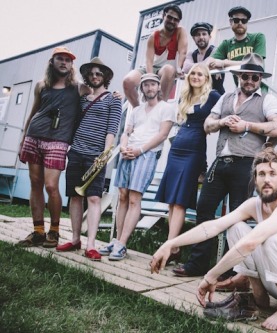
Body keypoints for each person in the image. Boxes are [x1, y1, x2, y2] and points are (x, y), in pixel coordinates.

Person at [151, 148, 277, 331]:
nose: (266, 179)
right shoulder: (254, 205)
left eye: (273, 174)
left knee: (266, 237)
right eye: (261, 174)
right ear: (255, 180)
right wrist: (171, 243)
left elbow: (250, 244)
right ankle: (259, 296)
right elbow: (213, 226)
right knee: (236, 228)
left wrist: (211, 275)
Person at [171, 53, 277, 280]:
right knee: (204, 210)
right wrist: (223, 122)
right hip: (221, 160)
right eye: (245, 76)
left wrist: (246, 125)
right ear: (239, 76)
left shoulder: (268, 100)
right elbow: (207, 124)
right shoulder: (226, 98)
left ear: (260, 78)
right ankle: (197, 263)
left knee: (237, 218)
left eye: (254, 77)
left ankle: (232, 269)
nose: (250, 81)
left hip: (246, 164)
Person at [17, 46, 91, 248]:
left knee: (51, 186)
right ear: (52, 62)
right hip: (34, 136)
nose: (64, 62)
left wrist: (116, 95)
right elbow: (34, 112)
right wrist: (23, 137)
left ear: (72, 65)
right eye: (60, 58)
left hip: (58, 141)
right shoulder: (42, 85)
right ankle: (38, 231)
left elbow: (97, 93)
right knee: (35, 183)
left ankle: (55, 231)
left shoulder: (78, 87)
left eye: (68, 60)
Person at [99, 73, 176, 261]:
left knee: (134, 198)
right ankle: (116, 241)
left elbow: (162, 135)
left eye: (153, 85)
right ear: (141, 89)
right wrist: (124, 146)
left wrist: (139, 150)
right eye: (146, 85)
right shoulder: (136, 110)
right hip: (129, 152)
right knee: (122, 197)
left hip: (146, 154)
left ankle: (123, 243)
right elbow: (126, 132)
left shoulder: (166, 108)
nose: (149, 88)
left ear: (159, 87)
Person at [56, 58, 122, 261]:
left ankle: (91, 245)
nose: (94, 76)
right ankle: (75, 239)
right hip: (76, 152)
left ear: (105, 77)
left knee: (93, 198)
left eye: (99, 74)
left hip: (96, 155)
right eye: (91, 73)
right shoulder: (82, 98)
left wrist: (104, 156)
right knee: (75, 197)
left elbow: (112, 129)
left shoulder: (114, 99)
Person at [155, 63, 221, 263]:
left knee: (181, 199)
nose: (196, 77)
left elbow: (225, 108)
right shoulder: (185, 96)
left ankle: (171, 245)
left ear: (207, 78)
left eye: (201, 74)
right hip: (176, 149)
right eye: (193, 73)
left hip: (194, 150)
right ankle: (172, 247)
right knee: (172, 199)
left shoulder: (213, 96)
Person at [123, 4, 188, 107]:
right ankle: (137, 109)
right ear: (164, 16)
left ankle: (157, 109)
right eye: (169, 17)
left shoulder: (180, 31)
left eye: (175, 19)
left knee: (169, 69)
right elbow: (149, 60)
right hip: (151, 68)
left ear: (178, 22)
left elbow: (183, 51)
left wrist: (179, 68)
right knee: (127, 81)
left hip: (166, 70)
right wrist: (150, 77)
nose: (172, 21)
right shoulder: (153, 36)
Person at [206, 6, 266, 89]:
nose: (240, 23)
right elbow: (209, 62)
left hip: (259, 90)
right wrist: (216, 66)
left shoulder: (257, 37)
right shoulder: (226, 44)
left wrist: (224, 63)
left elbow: (255, 63)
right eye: (236, 20)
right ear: (231, 22)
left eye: (244, 20)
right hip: (241, 90)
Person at [182, 22, 225, 95]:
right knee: (182, 99)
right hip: (196, 95)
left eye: (204, 34)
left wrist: (192, 67)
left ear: (209, 36)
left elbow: (205, 64)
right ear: (193, 38)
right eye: (198, 35)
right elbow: (186, 68)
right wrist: (208, 66)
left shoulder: (216, 51)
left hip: (215, 94)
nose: (201, 37)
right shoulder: (191, 54)